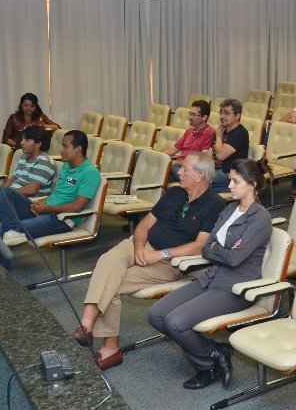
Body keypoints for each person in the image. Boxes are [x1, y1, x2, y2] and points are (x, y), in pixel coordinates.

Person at [72, 152, 225, 371]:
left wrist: (160, 255)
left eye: (184, 169)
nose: (179, 172)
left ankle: (109, 346)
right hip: (143, 245)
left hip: (170, 262)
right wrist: (139, 247)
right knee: (107, 260)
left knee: (111, 283)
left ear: (200, 175)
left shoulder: (215, 204)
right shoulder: (174, 192)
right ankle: (88, 323)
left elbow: (199, 246)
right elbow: (144, 225)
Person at [148, 158, 273, 389]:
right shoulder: (229, 209)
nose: (229, 185)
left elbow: (235, 259)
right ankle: (215, 350)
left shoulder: (260, 218)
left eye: (235, 181)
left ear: (253, 184)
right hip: (212, 276)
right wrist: (222, 249)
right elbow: (206, 248)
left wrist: (219, 249)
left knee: (175, 322)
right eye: (230, 180)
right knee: (156, 314)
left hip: (236, 287)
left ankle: (206, 366)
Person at [0, 130, 101, 269]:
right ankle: (13, 231)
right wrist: (42, 202)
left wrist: (47, 208)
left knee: (1, 232)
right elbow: (58, 194)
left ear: (78, 148)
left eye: (65, 146)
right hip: (45, 210)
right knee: (3, 191)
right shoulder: (67, 166)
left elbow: (77, 207)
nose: (61, 150)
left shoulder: (90, 173)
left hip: (61, 219)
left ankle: (3, 274)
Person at [0, 126, 55, 228]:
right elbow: (12, 179)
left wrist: (4, 194)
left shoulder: (44, 161)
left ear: (38, 143)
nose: (21, 142)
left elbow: (32, 190)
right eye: (23, 139)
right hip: (11, 200)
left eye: (27, 140)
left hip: (27, 203)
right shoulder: (24, 157)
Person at [162, 100, 215, 182]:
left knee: (164, 172)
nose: (190, 117)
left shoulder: (210, 133)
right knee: (153, 165)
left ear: (204, 117)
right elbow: (173, 149)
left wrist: (177, 163)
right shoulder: (189, 131)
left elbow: (201, 159)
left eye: (194, 115)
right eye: (190, 113)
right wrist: (157, 156)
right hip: (178, 166)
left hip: (190, 168)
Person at [207, 98, 249, 193]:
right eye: (221, 113)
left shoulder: (240, 133)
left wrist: (218, 137)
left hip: (229, 175)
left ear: (237, 116)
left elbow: (220, 156)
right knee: (185, 172)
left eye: (226, 113)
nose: (222, 116)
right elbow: (211, 152)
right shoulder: (222, 130)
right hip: (215, 169)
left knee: (196, 179)